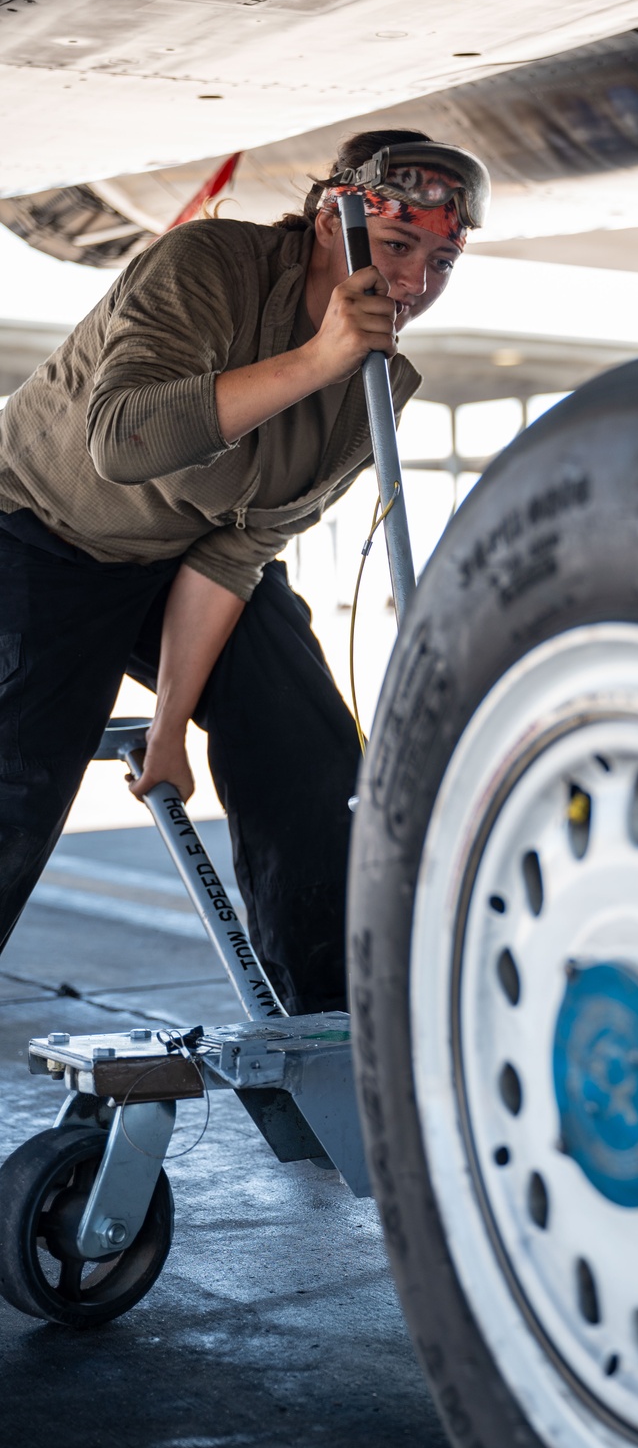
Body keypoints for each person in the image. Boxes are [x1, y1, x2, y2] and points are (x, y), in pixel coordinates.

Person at [0, 130, 491, 1015]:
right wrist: (318, 359)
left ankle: (341, 1030)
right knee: (19, 785)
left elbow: (232, 555)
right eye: (397, 246)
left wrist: (171, 726)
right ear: (327, 221)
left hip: (174, 563)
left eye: (443, 259)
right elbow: (124, 441)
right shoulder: (211, 263)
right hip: (34, 533)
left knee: (308, 751)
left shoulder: (377, 385)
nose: (416, 283)